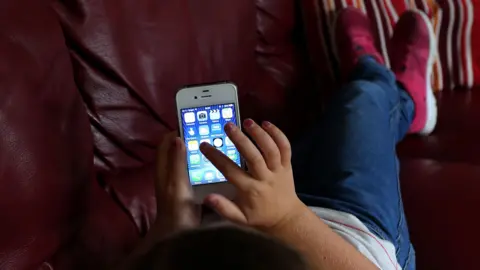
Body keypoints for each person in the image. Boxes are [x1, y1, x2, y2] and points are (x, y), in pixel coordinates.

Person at [117, 8, 436, 270]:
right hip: (348, 232)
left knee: (318, 130)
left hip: (257, 201)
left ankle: (370, 77)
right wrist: (287, 216)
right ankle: (392, 84)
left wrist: (173, 225)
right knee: (362, 100)